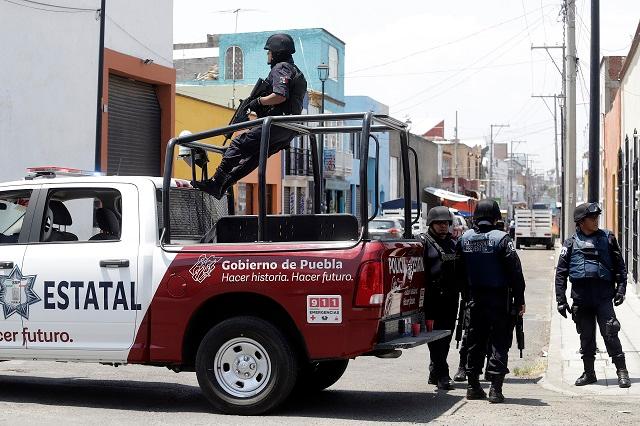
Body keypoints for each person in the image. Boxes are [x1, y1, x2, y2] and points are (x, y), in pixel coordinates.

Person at [194, 33, 307, 199]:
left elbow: (280, 95)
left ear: (276, 52)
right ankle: (223, 185)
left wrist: (258, 102)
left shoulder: (281, 68)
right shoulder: (295, 70)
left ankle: (216, 181)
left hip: (277, 125)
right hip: (287, 130)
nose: (267, 54)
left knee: (239, 144)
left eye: (269, 51)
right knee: (253, 157)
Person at [555, 202, 631, 388]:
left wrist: (621, 288)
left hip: (603, 297)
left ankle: (622, 372)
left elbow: (620, 266)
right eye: (592, 218)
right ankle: (589, 373)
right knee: (586, 338)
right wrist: (561, 300)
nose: (596, 220)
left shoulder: (608, 238)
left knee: (611, 333)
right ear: (581, 222)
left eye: (597, 217)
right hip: (581, 298)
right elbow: (561, 273)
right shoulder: (570, 243)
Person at [458, 199, 526, 403]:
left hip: (474, 299)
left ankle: (473, 386)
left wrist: (466, 294)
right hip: (499, 300)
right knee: (499, 341)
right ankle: (495, 390)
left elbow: (458, 272)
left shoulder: (464, 239)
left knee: (474, 342)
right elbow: (516, 273)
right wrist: (520, 299)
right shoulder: (503, 239)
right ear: (496, 217)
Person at [420, 206, 461, 390]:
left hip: (451, 298)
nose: (443, 226)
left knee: (447, 335)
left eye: (446, 223)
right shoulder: (423, 243)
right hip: (432, 298)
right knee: (435, 336)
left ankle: (434, 370)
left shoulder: (453, 243)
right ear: (431, 224)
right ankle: (443, 374)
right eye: (439, 223)